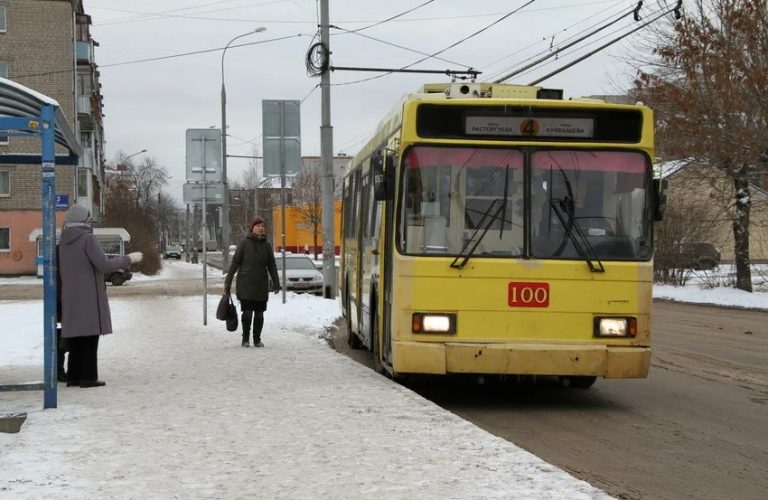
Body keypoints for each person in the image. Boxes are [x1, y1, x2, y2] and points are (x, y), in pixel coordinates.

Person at [58, 204, 143, 388]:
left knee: (76, 338)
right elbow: (103, 264)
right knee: (90, 337)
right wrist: (129, 259)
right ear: (83, 220)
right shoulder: (87, 239)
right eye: (88, 218)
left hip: (71, 296)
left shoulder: (64, 241)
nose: (91, 221)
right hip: (88, 296)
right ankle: (88, 377)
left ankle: (73, 377)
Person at [224, 216, 280, 348]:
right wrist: (228, 281)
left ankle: (257, 339)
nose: (261, 228)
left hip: (261, 285)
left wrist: (276, 283)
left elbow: (272, 265)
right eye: (258, 225)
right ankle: (245, 339)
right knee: (247, 313)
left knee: (259, 314)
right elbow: (235, 263)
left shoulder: (267, 246)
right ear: (252, 228)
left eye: (263, 226)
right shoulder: (244, 244)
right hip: (246, 285)